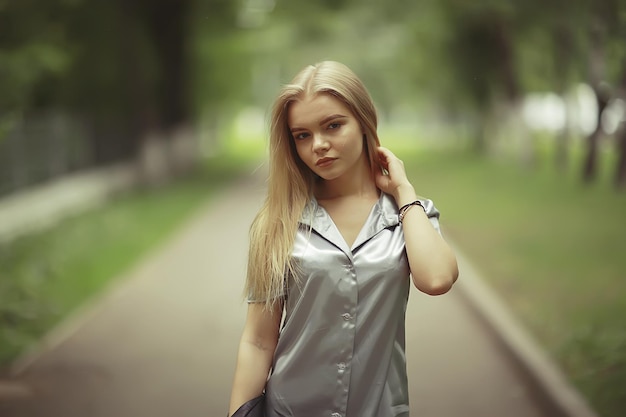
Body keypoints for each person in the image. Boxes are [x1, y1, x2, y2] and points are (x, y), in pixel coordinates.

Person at [227, 61, 459, 417]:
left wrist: (403, 190)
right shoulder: (277, 223)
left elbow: (437, 278)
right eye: (302, 135)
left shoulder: (409, 215)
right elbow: (258, 341)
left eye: (333, 126)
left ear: (365, 122)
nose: (318, 145)